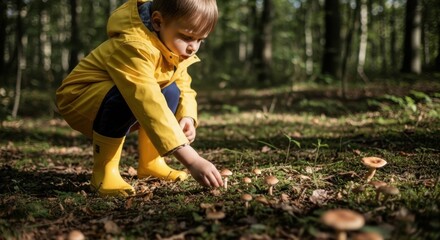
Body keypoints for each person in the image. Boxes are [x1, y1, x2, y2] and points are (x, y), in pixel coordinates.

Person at [56, 0, 223, 197]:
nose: (193, 47)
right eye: (187, 37)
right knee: (129, 95)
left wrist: (187, 116)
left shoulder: (168, 45)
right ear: (158, 22)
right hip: (80, 99)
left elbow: (183, 83)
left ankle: (151, 163)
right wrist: (191, 159)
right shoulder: (133, 45)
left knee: (170, 89)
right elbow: (146, 99)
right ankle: (104, 172)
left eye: (200, 40)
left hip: (118, 95)